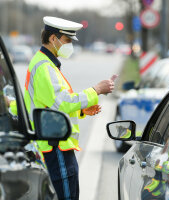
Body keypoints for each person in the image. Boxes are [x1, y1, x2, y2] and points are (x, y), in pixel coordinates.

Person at [24, 16, 117, 200]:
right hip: (54, 147)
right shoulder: (44, 67)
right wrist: (96, 90)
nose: (70, 46)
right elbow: (64, 102)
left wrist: (82, 110)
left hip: (58, 146)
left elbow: (54, 105)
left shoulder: (47, 63)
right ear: (52, 39)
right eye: (67, 40)